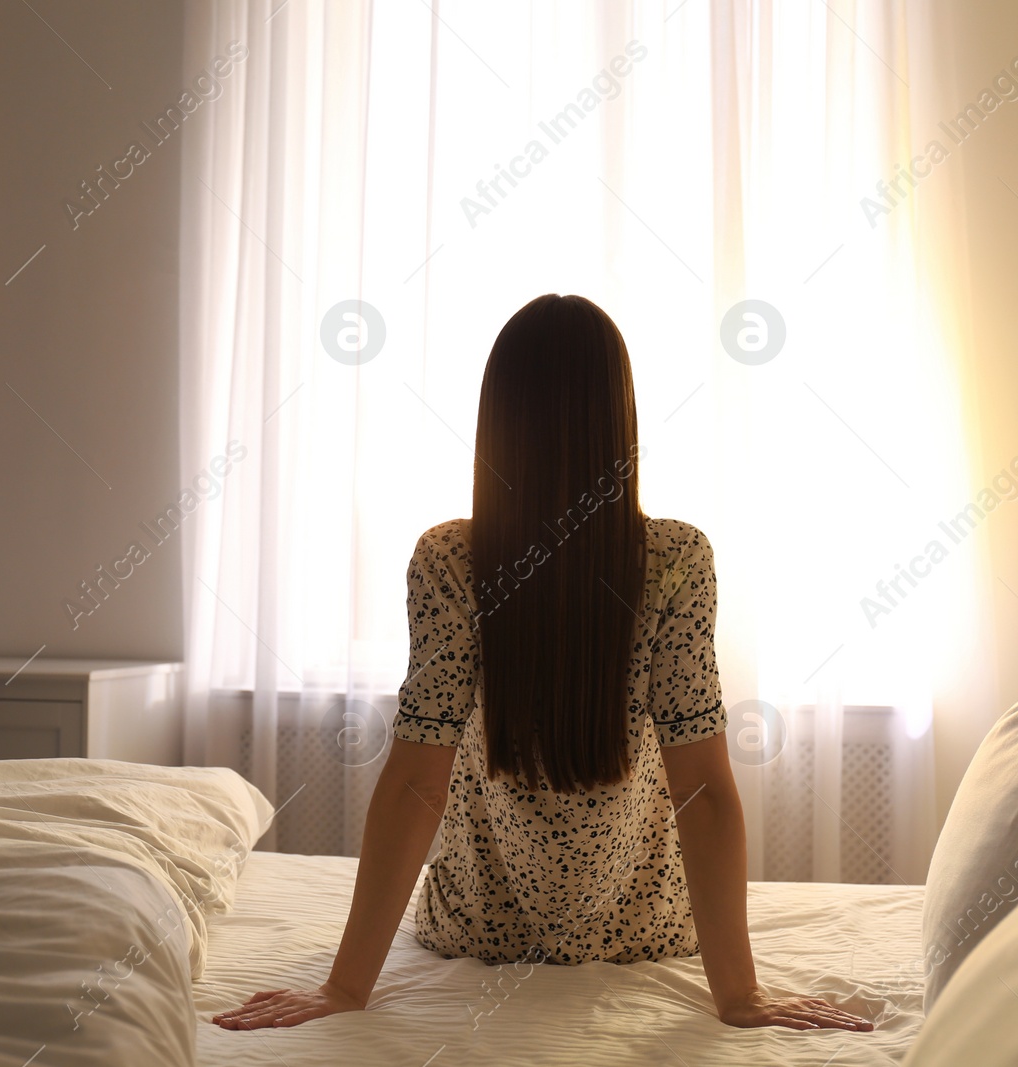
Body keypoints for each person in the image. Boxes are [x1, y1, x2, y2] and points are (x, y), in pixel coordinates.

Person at [213, 294, 874, 1033]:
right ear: (617, 418)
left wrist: (345, 987)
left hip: (477, 925)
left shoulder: (451, 561)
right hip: (644, 927)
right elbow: (705, 791)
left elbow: (413, 783)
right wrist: (738, 994)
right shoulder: (676, 559)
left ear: (498, 422)